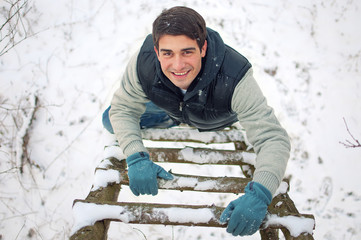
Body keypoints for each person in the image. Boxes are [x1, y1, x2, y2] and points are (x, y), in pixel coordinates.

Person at [102, 6, 290, 237]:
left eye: (187, 52)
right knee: (108, 118)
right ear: (156, 50)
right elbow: (123, 109)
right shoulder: (144, 63)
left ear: (203, 48)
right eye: (168, 53)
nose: (178, 65)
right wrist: (135, 156)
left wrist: (260, 193)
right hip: (171, 109)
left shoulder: (235, 77)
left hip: (215, 116)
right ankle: (171, 119)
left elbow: (273, 137)